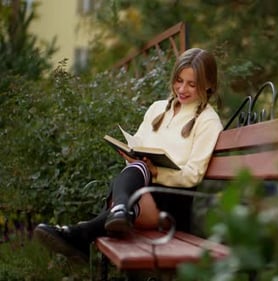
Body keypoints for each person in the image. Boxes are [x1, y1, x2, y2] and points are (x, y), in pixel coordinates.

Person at [34, 47, 223, 262]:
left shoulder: (208, 121)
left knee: (138, 175)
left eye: (192, 84)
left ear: (208, 84)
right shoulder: (157, 109)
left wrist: (157, 173)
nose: (182, 88)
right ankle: (114, 214)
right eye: (179, 80)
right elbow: (138, 144)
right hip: (142, 190)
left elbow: (193, 175)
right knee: (137, 168)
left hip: (172, 204)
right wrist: (130, 155)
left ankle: (87, 228)